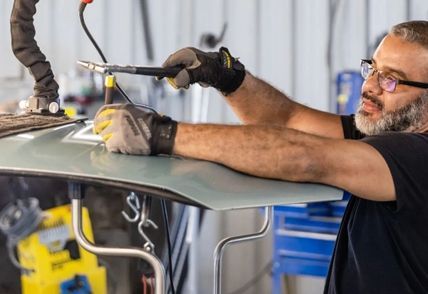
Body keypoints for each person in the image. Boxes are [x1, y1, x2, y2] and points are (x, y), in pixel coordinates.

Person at [94, 20, 428, 293]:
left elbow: (307, 157)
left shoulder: (417, 156)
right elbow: (287, 120)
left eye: (391, 80)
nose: (369, 86)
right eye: (372, 69)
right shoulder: (385, 131)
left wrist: (163, 135)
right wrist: (227, 76)